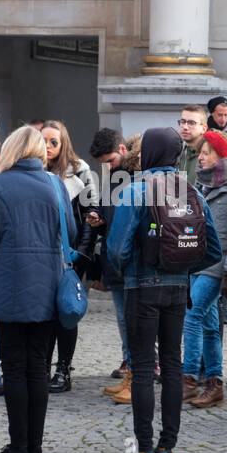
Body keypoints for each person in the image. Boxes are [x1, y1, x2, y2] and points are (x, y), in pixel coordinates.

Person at [109, 127, 222, 453]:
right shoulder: (193, 193)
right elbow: (213, 248)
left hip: (141, 288)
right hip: (178, 290)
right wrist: (182, 266)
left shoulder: (135, 191)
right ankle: (167, 448)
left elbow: (117, 249)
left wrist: (130, 271)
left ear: (150, 154)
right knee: (173, 365)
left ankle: (144, 448)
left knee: (143, 368)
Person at [0, 125, 77, 453]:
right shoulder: (56, 185)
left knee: (14, 368)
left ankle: (18, 447)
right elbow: (71, 234)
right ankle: (35, 448)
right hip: (48, 285)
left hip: (10, 285)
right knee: (38, 367)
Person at [182, 130, 227, 408]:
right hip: (198, 262)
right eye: (201, 152)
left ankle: (189, 379)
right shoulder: (202, 186)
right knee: (207, 326)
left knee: (192, 316)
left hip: (216, 267)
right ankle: (215, 383)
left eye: (207, 153)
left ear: (222, 156)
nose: (202, 157)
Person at [41, 119, 96, 393]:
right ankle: (42, 366)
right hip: (42, 252)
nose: (48, 147)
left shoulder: (79, 171)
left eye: (54, 142)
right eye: (44, 141)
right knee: (44, 312)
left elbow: (91, 215)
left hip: (71, 253)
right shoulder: (33, 169)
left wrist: (83, 254)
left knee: (66, 309)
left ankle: (63, 369)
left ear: (63, 144)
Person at [89, 128, 139, 396]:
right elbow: (110, 210)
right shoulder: (115, 176)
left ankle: (138, 373)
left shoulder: (138, 176)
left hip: (129, 260)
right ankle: (130, 368)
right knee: (123, 319)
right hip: (115, 257)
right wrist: (99, 216)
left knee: (132, 319)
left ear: (122, 150)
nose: (107, 167)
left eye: (109, 161)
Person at [176, 104, 209, 185]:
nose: (185, 127)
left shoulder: (210, 156)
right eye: (182, 122)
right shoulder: (177, 153)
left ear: (204, 128)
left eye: (191, 123)